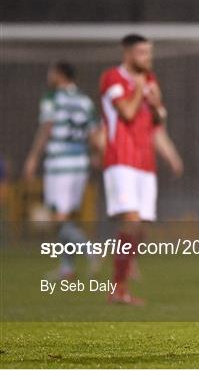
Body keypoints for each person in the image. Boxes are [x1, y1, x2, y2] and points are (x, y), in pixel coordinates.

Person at [99, 34, 183, 305]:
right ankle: (118, 287)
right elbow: (126, 113)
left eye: (150, 53)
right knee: (132, 220)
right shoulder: (112, 78)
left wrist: (170, 155)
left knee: (140, 225)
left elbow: (156, 124)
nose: (148, 58)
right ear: (128, 54)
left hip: (145, 164)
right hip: (120, 159)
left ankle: (124, 264)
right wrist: (138, 90)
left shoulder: (150, 81)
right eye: (142, 53)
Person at [23, 61, 100, 280]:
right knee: (66, 218)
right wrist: (96, 155)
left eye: (51, 72)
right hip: (80, 165)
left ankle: (90, 249)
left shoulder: (52, 98)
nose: (49, 75)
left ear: (59, 75)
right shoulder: (85, 101)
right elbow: (94, 135)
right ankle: (67, 269)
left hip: (59, 164)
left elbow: (46, 127)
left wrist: (33, 157)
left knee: (58, 218)